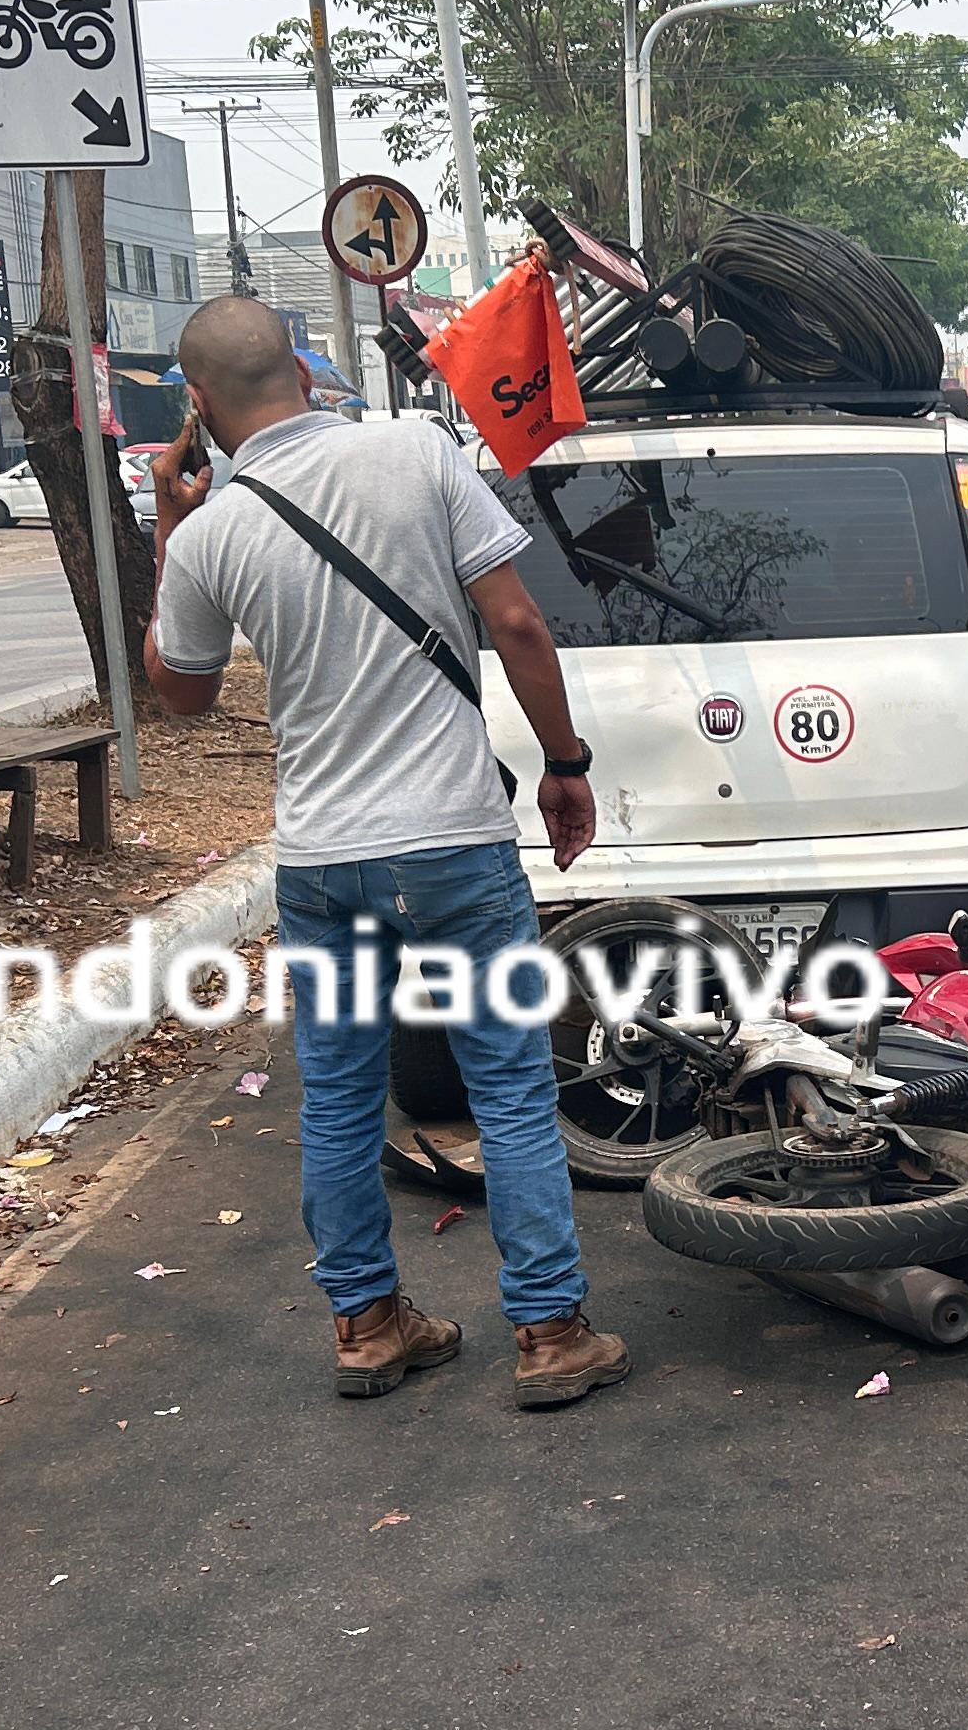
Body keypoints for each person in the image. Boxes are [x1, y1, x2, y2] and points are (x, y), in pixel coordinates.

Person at [140, 294, 630, 1412]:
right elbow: (517, 624)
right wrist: (564, 761)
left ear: (200, 407)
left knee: (342, 1098)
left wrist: (172, 526)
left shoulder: (213, 530)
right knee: (507, 1085)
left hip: (323, 859)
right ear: (307, 376)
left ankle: (368, 1324)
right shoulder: (415, 451)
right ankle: (550, 1331)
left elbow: (179, 691)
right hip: (454, 842)